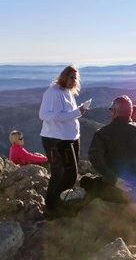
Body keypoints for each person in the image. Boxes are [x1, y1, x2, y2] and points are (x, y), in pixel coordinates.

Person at [88, 96, 136, 203]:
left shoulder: (102, 133)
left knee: (88, 183)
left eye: (111, 110)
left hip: (115, 192)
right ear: (130, 113)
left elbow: (94, 158)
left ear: (114, 111)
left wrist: (114, 179)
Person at [39, 65, 88, 212]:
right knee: (61, 174)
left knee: (70, 173)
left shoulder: (67, 92)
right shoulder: (53, 92)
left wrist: (79, 110)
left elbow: (67, 114)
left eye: (75, 78)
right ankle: (52, 206)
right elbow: (44, 115)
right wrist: (78, 112)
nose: (74, 81)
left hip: (70, 137)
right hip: (56, 139)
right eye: (71, 77)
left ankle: (61, 204)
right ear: (64, 76)